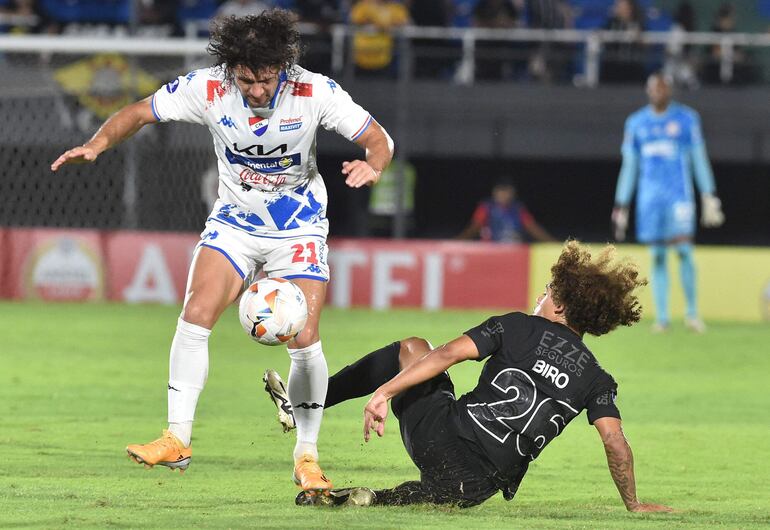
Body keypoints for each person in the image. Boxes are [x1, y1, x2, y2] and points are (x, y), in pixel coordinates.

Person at [50, 9, 394, 494]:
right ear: (231, 69)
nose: (255, 90)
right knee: (196, 312)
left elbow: (379, 139)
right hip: (234, 222)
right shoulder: (208, 87)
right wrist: (97, 143)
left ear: (284, 67)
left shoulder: (314, 91)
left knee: (305, 336)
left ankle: (307, 457)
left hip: (298, 228)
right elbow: (139, 112)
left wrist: (373, 166)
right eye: (246, 79)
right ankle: (177, 438)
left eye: (265, 79)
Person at [264, 241, 673, 511]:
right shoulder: (597, 378)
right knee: (444, 494)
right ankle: (372, 499)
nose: (539, 296)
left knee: (413, 347)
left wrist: (384, 392)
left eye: (547, 291)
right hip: (479, 487)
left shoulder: (516, 326)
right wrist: (633, 503)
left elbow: (445, 356)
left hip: (441, 440)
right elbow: (614, 442)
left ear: (561, 306)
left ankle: (303, 406)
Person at [612, 73, 724, 333]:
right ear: (648, 91)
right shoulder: (636, 123)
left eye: (663, 88)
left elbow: (698, 158)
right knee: (658, 255)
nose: (659, 92)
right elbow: (630, 166)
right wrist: (621, 204)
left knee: (684, 250)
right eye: (655, 88)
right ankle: (662, 318)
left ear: (670, 91)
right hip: (650, 200)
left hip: (679, 196)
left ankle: (692, 313)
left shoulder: (686, 119)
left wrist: (709, 194)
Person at [458, 180, 555, 243]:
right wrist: (456, 242)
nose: (503, 194)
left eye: (507, 191)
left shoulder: (518, 208)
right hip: (491, 249)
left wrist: (553, 244)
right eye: (500, 191)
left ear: (512, 193)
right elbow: (474, 228)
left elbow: (533, 228)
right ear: (494, 192)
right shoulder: (486, 207)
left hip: (513, 248)